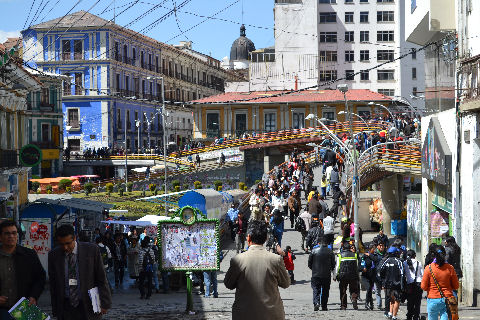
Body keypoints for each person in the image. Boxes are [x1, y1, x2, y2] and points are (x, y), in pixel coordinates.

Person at [224, 220, 290, 320]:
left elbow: (228, 284)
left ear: (248, 237)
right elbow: (286, 283)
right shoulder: (275, 259)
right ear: (266, 238)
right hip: (271, 315)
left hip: (244, 314)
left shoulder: (237, 260)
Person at [48, 224, 111, 320]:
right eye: (61, 244)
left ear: (75, 238)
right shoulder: (54, 255)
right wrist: (55, 308)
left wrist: (105, 302)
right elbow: (53, 284)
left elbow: (101, 278)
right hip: (66, 305)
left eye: (68, 243)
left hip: (88, 303)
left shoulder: (91, 250)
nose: (65, 247)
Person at [0, 221, 46, 318]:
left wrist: (34, 296)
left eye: (14, 233)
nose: (11, 236)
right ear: (0, 237)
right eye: (7, 233)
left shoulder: (29, 254)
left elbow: (40, 277)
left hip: (24, 308)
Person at [421, 246, 459, 320]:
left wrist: (431, 288)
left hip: (432, 299)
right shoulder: (450, 268)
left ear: (433, 255)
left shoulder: (428, 268)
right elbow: (456, 286)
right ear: (445, 254)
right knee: (445, 316)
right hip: (447, 299)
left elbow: (423, 287)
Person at [308, 237, 336, 311]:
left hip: (316, 274)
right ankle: (324, 306)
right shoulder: (330, 252)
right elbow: (333, 264)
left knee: (316, 289)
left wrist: (314, 269)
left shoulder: (313, 251)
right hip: (326, 275)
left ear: (318, 243)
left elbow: (309, 263)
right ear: (327, 244)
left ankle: (316, 303)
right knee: (325, 290)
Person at [378, 246, 404, 320]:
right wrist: (402, 285)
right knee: (397, 300)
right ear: (396, 253)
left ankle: (390, 313)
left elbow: (381, 271)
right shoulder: (398, 261)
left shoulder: (387, 261)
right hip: (397, 284)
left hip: (388, 284)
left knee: (391, 299)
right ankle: (394, 316)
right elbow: (402, 274)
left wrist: (384, 281)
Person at [335, 243, 360, 310]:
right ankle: (354, 299)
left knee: (343, 291)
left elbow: (337, 267)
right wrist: (358, 276)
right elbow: (357, 266)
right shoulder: (355, 255)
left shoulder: (340, 255)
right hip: (353, 276)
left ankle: (343, 306)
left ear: (343, 248)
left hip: (343, 276)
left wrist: (335, 276)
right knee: (354, 289)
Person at [404, 249, 424, 320]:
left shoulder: (405, 263)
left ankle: (409, 316)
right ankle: (416, 316)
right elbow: (422, 275)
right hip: (418, 284)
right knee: (417, 302)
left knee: (410, 301)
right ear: (415, 256)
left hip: (409, 285)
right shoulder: (419, 263)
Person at [360, 243, 377, 311]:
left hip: (372, 276)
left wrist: (370, 255)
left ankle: (371, 304)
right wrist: (362, 269)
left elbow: (376, 260)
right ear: (370, 249)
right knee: (369, 288)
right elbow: (360, 266)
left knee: (370, 290)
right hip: (365, 276)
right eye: (373, 249)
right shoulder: (364, 256)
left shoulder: (374, 256)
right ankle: (367, 303)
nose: (374, 250)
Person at [373, 241, 387, 310]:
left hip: (385, 276)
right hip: (376, 276)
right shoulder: (374, 254)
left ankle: (387, 305)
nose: (381, 247)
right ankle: (379, 304)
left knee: (386, 291)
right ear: (377, 246)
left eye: (382, 245)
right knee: (377, 291)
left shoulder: (386, 254)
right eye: (380, 245)